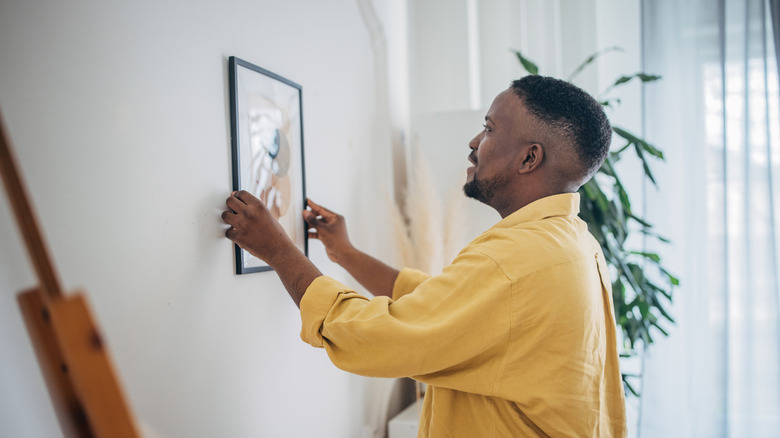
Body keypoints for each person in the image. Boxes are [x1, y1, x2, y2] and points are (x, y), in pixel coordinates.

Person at [222, 75, 627, 437]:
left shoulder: (516, 260)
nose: (473, 142)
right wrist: (345, 254)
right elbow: (443, 302)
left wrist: (278, 250)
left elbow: (371, 339)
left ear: (529, 158)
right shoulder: (573, 243)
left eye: (488, 128)